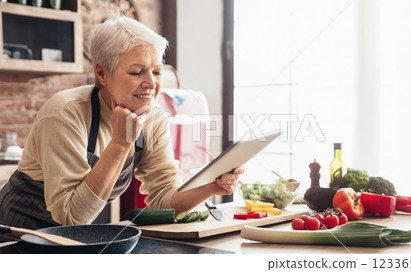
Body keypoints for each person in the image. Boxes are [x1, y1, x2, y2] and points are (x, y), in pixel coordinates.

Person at [0, 17, 243, 229]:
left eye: (157, 72)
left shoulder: (153, 117)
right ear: (102, 74)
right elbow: (72, 216)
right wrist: (119, 143)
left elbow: (163, 200)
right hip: (21, 231)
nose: (151, 83)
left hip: (73, 236)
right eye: (137, 72)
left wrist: (210, 187)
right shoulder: (65, 113)